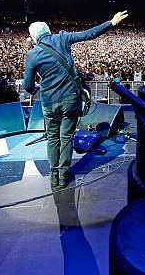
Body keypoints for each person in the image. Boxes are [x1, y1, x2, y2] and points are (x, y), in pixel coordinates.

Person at [23, 11, 128, 188]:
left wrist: (36, 89)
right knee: (66, 137)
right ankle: (63, 176)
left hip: (49, 103)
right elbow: (89, 34)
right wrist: (111, 22)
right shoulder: (62, 38)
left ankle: (53, 174)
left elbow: (28, 86)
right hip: (70, 100)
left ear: (33, 37)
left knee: (53, 138)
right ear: (49, 31)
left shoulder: (32, 54)